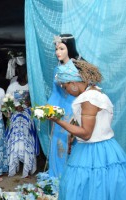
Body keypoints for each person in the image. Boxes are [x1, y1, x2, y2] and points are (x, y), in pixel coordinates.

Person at [51, 59, 126, 200]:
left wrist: (56, 119)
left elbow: (86, 133)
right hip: (108, 151)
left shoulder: (88, 98)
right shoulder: (97, 92)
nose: (65, 90)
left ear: (74, 82)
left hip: (94, 152)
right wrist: (71, 135)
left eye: (64, 86)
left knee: (90, 199)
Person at [47, 34, 83, 178]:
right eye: (56, 49)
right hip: (61, 110)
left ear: (70, 48)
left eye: (62, 48)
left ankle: (73, 179)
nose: (58, 52)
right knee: (58, 143)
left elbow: (87, 91)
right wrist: (49, 109)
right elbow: (55, 92)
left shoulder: (80, 67)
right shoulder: (57, 69)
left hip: (76, 109)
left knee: (75, 143)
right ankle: (57, 178)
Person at [6, 64, 39, 178]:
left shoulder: (31, 86)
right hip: (15, 117)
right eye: (26, 74)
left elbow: (37, 101)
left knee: (26, 139)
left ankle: (28, 166)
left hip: (27, 117)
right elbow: (6, 101)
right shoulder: (12, 86)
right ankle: (13, 165)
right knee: (16, 139)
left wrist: (30, 103)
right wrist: (15, 107)